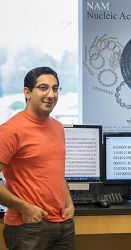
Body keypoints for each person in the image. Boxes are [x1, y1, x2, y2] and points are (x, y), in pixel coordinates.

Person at [0, 66, 75, 249]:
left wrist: (69, 203)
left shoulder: (58, 127)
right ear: (27, 92)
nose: (51, 94)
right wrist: (25, 208)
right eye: (43, 88)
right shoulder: (10, 130)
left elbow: (57, 174)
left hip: (63, 224)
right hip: (28, 226)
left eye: (55, 88)